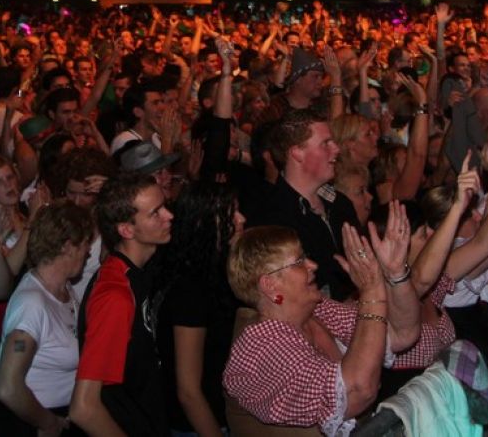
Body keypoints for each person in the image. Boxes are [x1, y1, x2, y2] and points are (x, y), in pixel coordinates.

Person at [221, 216, 420, 435]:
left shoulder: (317, 309)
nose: (313, 265)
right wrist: (372, 292)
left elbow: (401, 333)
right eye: (299, 261)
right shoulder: (262, 344)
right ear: (270, 285)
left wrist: (395, 274)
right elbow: (358, 392)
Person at [70, 173, 174, 437]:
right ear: (127, 230)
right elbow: (84, 408)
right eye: (156, 212)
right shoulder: (114, 296)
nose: (169, 215)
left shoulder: (136, 271)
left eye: (164, 206)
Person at [0, 203, 92, 437]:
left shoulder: (64, 288)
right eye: (85, 243)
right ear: (68, 246)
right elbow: (7, 387)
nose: (88, 252)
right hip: (28, 423)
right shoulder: (32, 304)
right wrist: (48, 423)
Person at [154, 182, 245, 437]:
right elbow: (188, 391)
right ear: (202, 222)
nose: (241, 219)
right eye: (230, 213)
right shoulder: (191, 291)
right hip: (196, 426)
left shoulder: (214, 275)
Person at [249, 109, 359, 300]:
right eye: (326, 143)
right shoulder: (271, 218)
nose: (336, 149)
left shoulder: (340, 204)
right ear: (297, 153)